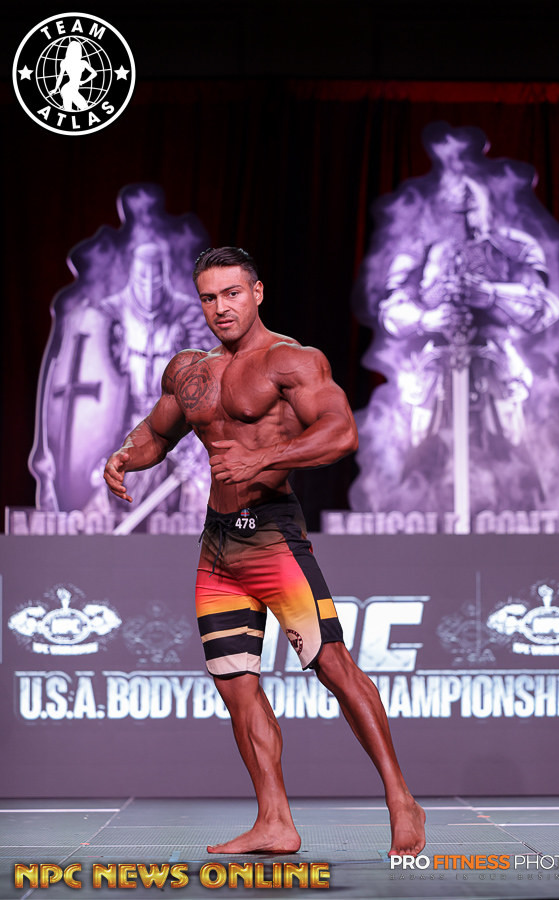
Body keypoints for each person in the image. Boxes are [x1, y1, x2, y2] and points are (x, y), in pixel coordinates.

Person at [104, 246, 426, 857]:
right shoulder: (190, 370)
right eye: (208, 297)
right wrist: (125, 454)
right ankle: (275, 820)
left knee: (332, 665)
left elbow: (340, 431)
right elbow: (158, 431)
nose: (220, 308)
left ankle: (400, 798)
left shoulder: (291, 360)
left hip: (272, 535)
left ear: (256, 292)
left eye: (232, 293)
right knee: (236, 683)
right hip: (218, 545)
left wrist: (264, 458)